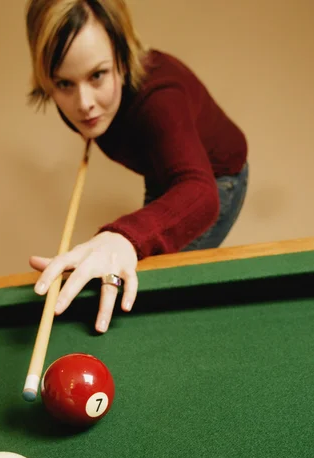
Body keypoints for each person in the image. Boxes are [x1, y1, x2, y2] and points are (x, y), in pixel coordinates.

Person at [25, 0, 248, 333]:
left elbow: (200, 193)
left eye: (97, 75)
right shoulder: (83, 103)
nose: (84, 104)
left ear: (123, 56)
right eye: (64, 84)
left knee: (154, 289)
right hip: (163, 170)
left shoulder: (160, 99)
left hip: (217, 179)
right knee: (136, 264)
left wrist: (122, 238)